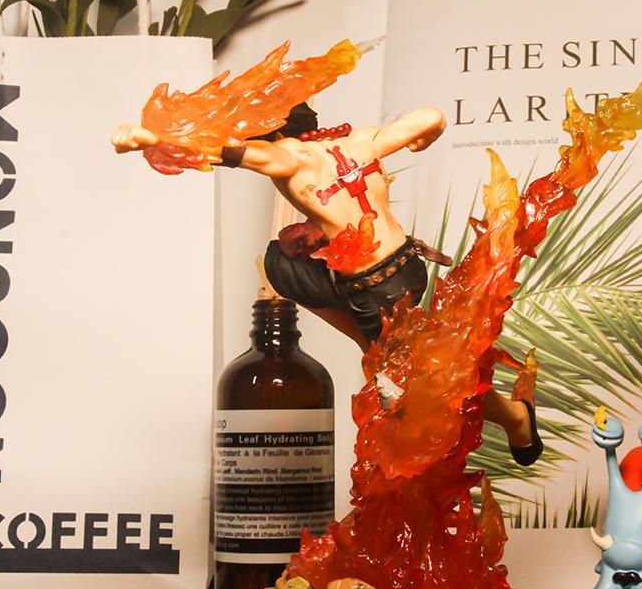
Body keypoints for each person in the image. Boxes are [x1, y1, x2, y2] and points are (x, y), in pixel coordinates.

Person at [111, 104, 543, 466]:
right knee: (281, 263)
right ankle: (501, 414)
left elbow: (224, 151)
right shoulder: (360, 142)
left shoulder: (288, 158)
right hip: (409, 268)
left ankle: (513, 419)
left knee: (414, 395)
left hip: (377, 292)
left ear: (270, 135)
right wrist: (424, 138)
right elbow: (430, 116)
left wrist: (152, 138)